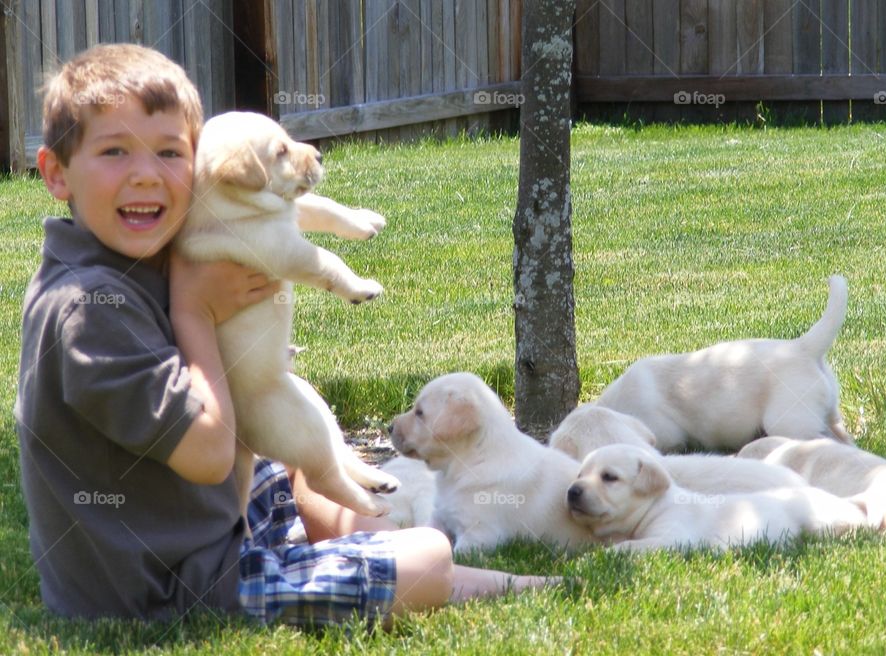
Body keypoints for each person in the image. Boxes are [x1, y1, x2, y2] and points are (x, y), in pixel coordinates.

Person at [15, 43, 553, 626]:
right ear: (56, 173)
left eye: (169, 153)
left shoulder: (130, 259)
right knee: (428, 554)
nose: (146, 173)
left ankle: (435, 567)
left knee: (291, 458)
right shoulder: (90, 309)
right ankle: (407, 569)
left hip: (201, 530)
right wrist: (195, 313)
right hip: (167, 590)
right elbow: (207, 452)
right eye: (115, 151)